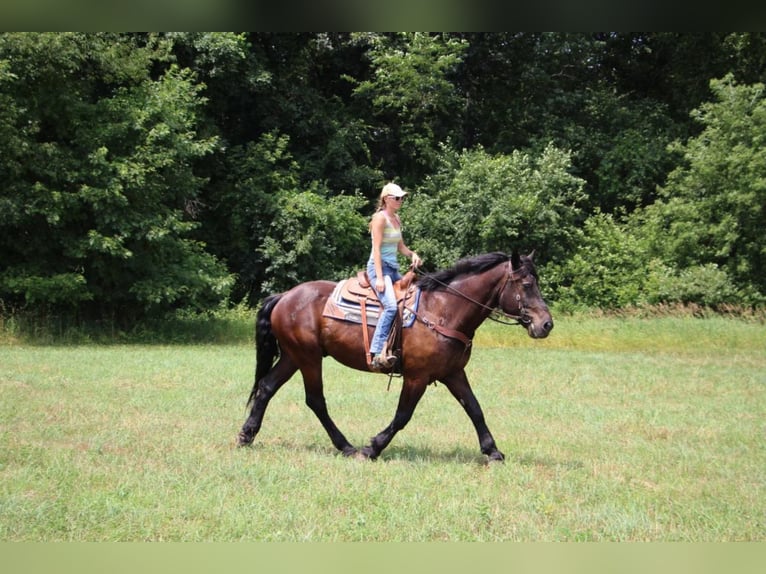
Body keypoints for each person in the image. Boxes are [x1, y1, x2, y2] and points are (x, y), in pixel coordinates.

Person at [367, 182, 422, 371]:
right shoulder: (379, 219)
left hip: (393, 268)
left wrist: (412, 254)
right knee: (391, 306)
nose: (400, 201)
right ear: (386, 199)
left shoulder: (396, 218)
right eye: (397, 198)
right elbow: (376, 249)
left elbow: (400, 247)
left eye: (402, 198)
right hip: (378, 268)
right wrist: (380, 278)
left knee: (415, 297)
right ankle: (376, 353)